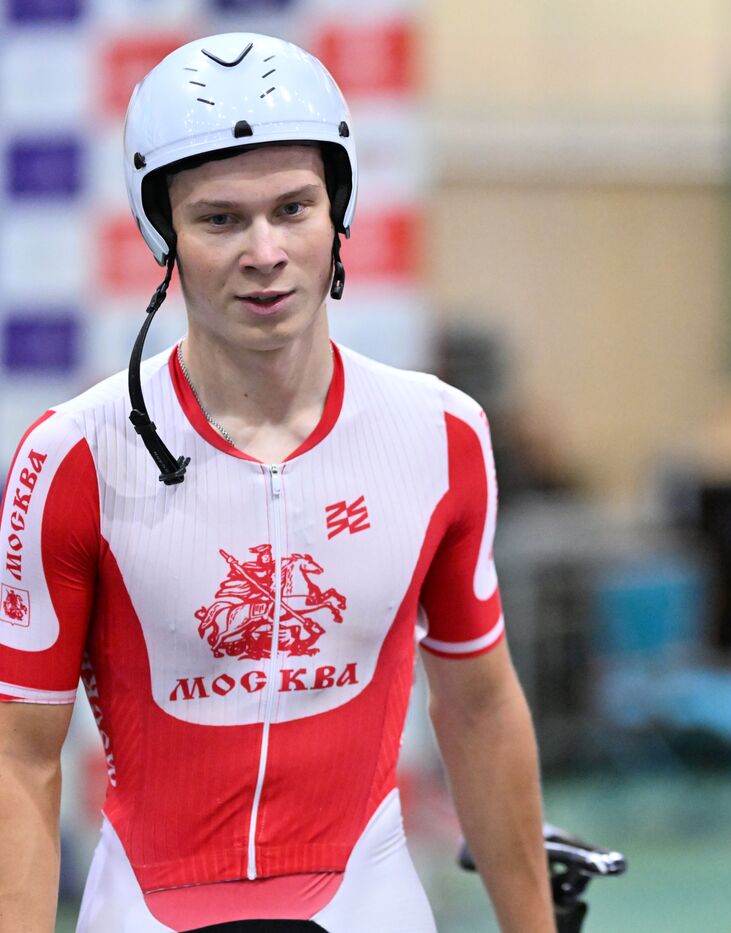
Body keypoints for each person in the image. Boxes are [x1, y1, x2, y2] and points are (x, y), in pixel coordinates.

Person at [0, 34, 553, 932]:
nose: (265, 251)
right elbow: (18, 758)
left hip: (370, 898)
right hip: (147, 904)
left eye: (293, 207)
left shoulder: (442, 432)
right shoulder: (73, 452)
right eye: (220, 219)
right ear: (161, 234)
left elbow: (479, 701)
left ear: (338, 213)